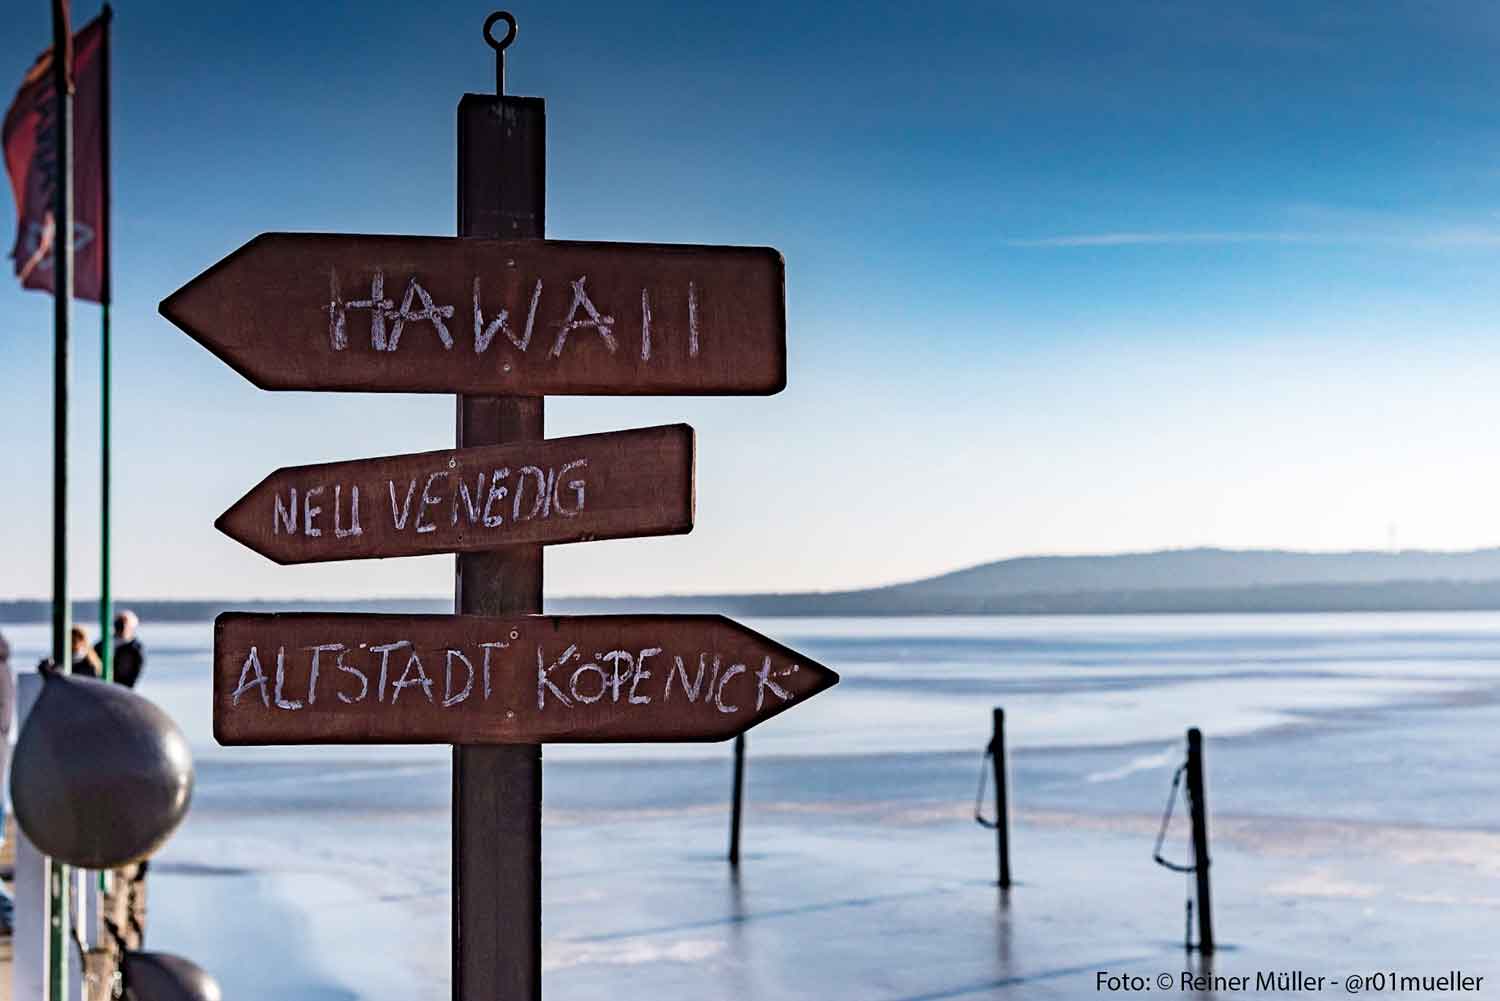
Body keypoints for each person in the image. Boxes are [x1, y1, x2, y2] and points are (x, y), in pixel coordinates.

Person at [95, 609, 145, 688]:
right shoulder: (103, 644)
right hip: (100, 686)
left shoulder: (135, 649)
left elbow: (134, 673)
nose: (121, 627)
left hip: (121, 688)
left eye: (124, 624)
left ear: (132, 627)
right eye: (118, 624)